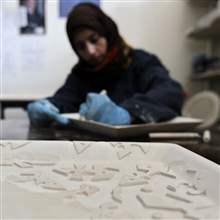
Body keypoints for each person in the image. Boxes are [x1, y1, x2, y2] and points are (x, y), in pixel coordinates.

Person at [27, 3, 184, 127]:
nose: (91, 51)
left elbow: (170, 92)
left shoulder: (140, 61)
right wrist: (47, 105)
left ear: (107, 32)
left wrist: (129, 112)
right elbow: (65, 99)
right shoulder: (81, 74)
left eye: (94, 39)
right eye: (81, 46)